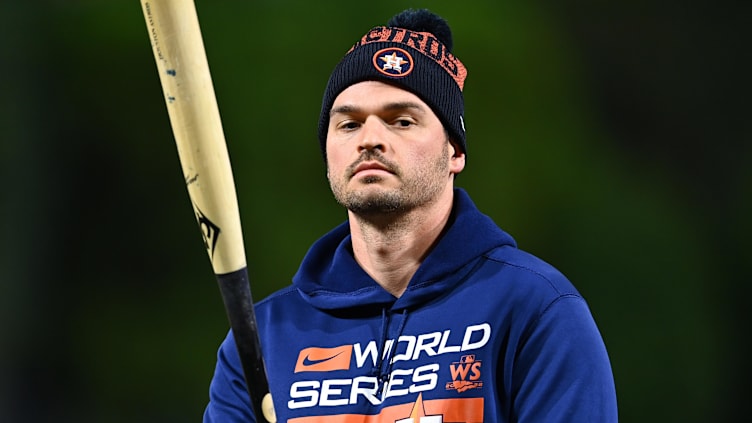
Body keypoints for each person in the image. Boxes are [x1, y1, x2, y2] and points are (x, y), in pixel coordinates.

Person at [203, 8, 617, 423]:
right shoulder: (265, 338)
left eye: (401, 121)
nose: (370, 140)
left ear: (454, 151)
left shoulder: (536, 310)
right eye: (348, 124)